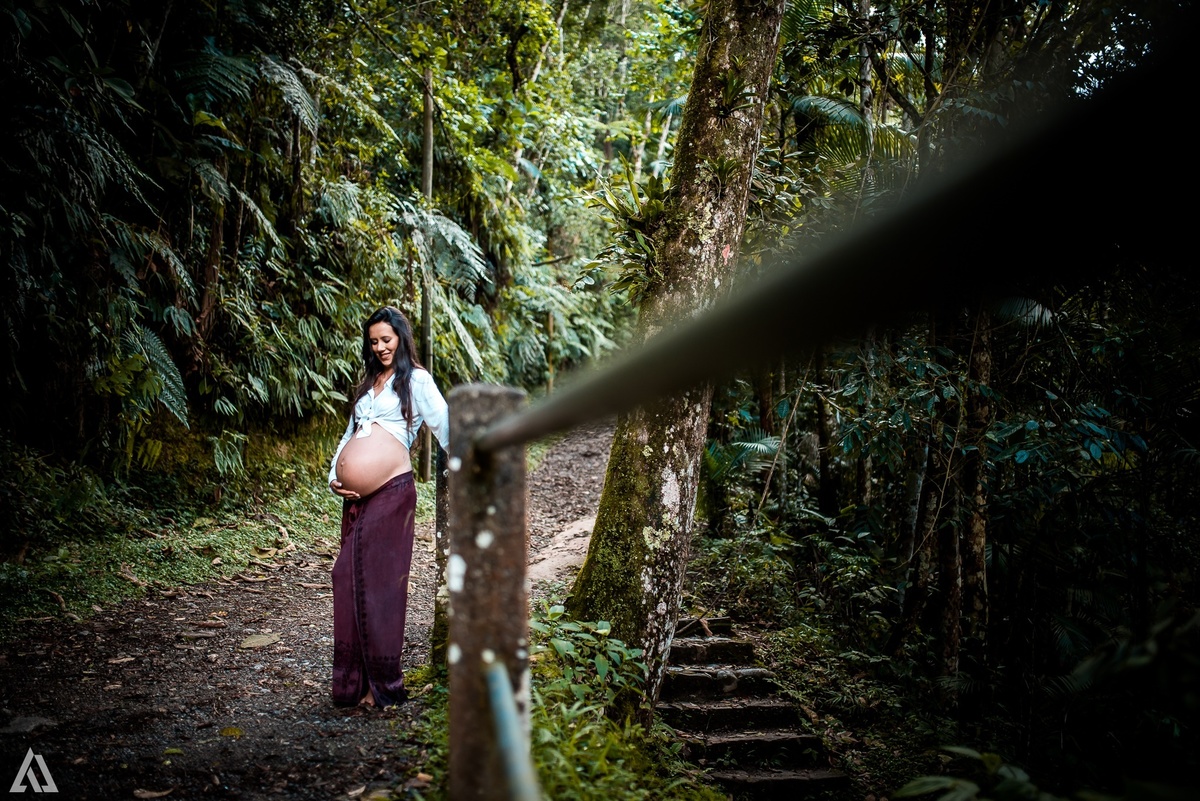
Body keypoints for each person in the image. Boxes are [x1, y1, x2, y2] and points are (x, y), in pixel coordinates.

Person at [327, 305, 449, 708]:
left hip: (393, 491)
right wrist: (334, 476)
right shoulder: (367, 384)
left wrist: (472, 468)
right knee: (346, 576)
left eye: (386, 339)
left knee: (376, 584)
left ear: (401, 338)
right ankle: (353, 684)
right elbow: (350, 435)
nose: (380, 347)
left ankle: (381, 686)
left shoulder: (416, 380)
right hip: (357, 499)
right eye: (374, 341)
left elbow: (445, 426)